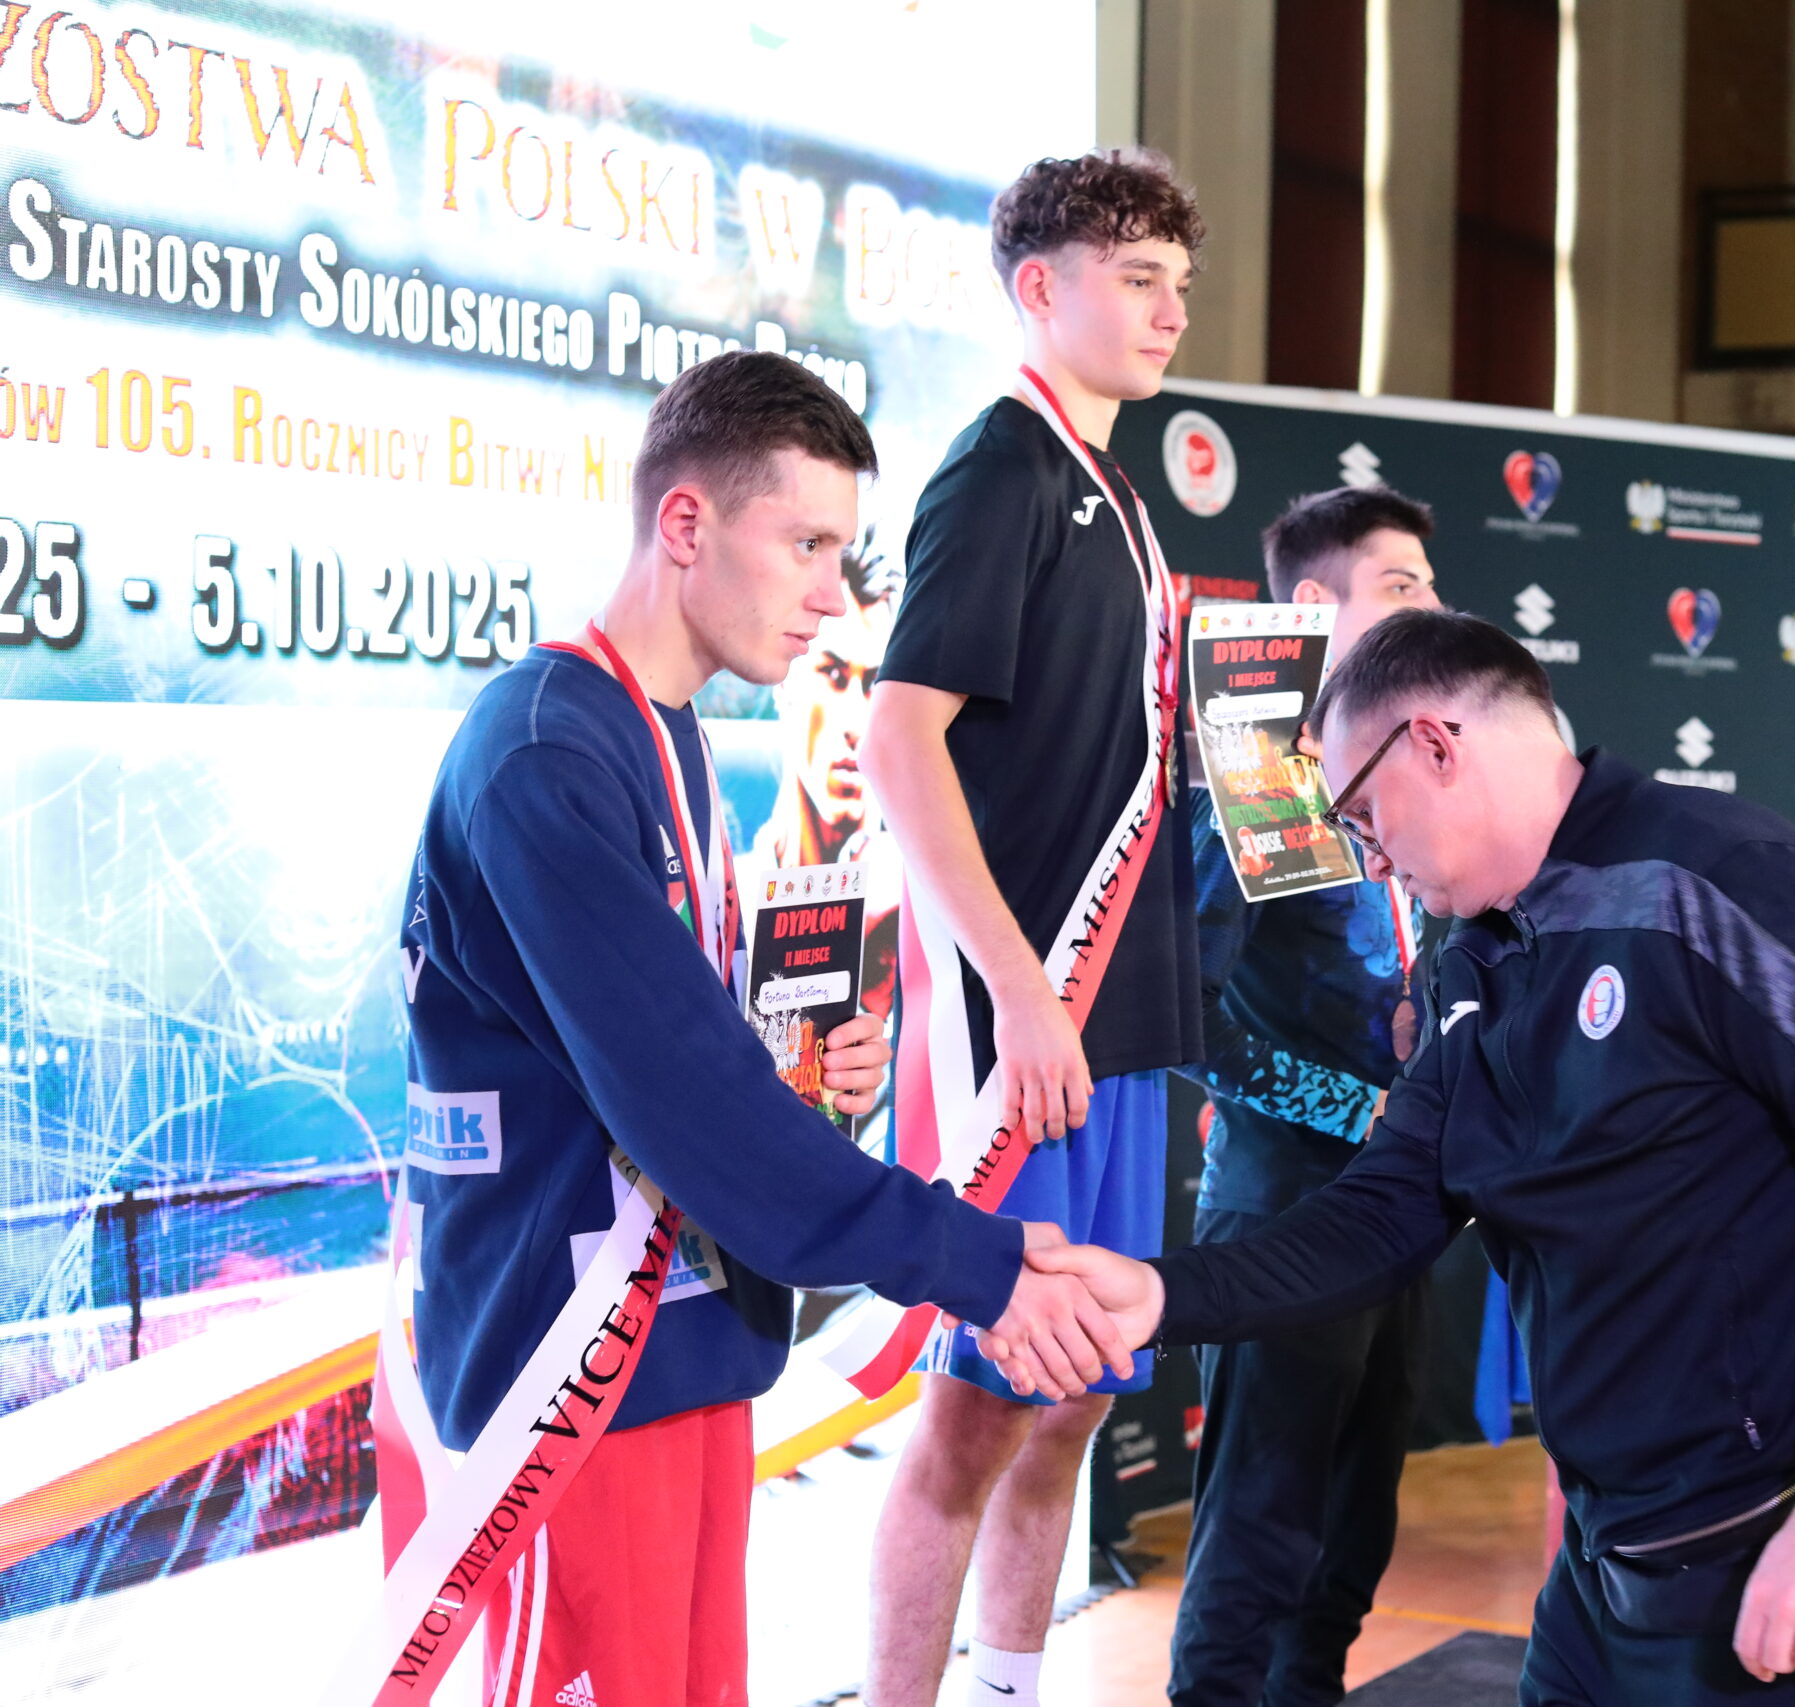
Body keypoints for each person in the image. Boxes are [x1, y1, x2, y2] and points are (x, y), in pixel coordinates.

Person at [999, 608, 1795, 1706]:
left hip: (1783, 1540)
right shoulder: (1471, 966)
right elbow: (1381, 1216)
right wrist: (1157, 1294)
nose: (1366, 852)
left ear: (1435, 745)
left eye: (1363, 812)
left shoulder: (1725, 878)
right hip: (1605, 1567)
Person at [391, 350, 1123, 1707]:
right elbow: (691, 1107)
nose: (832, 594)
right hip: (568, 1379)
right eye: (805, 545)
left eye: (841, 552)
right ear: (686, 523)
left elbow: (677, 1062)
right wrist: (973, 1260)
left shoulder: (657, 729)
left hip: (677, 1352)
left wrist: (805, 1074)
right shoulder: (548, 750)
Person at [858, 148, 1207, 1707]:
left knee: (1074, 1397)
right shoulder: (1000, 465)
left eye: (1179, 284)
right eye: (1138, 280)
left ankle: (1009, 1686)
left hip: (1119, 1017)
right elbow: (898, 740)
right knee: (978, 1407)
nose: (1170, 312)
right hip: (1029, 1024)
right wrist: (1020, 988)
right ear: (1041, 287)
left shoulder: (1114, 486)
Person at [1170, 486, 1442, 1707]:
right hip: (1281, 1212)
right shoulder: (1255, 780)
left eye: (1428, 581)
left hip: (1397, 1205)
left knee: (1353, 1527)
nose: (1430, 603)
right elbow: (1182, 1017)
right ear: (1315, 605)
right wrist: (1350, 1110)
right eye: (1401, 583)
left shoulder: (1395, 762)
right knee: (1260, 1530)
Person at [755, 528, 904, 1017]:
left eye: (875, 682)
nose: (858, 722)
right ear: (785, 682)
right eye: (835, 676)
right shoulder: (726, 897)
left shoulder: (921, 902)